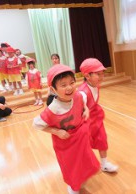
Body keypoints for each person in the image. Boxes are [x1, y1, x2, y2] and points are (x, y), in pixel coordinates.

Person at [33, 64, 99, 194]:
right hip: (65, 143)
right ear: (53, 89)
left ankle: (80, 178)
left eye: (72, 83)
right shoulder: (53, 108)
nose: (69, 88)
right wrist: (56, 131)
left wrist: (85, 110)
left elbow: (84, 103)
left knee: (85, 160)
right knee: (70, 166)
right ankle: (73, 185)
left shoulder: (79, 95)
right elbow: (36, 124)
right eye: (63, 85)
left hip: (80, 137)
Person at [78, 58, 119, 173]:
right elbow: (79, 110)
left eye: (102, 73)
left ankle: (104, 164)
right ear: (87, 76)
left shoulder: (96, 85)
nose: (101, 77)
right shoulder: (82, 92)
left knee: (102, 139)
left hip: (96, 117)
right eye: (98, 74)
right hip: (86, 121)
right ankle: (82, 168)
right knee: (84, 145)